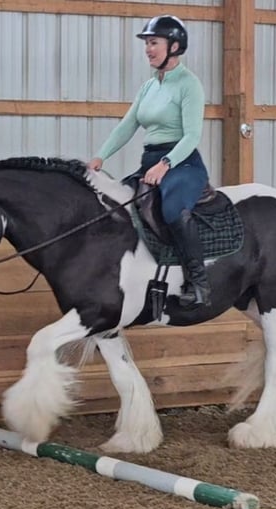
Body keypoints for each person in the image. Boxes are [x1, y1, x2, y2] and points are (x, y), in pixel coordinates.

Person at [87, 15, 211, 308]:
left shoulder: (189, 85)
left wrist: (165, 164)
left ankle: (199, 282)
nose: (148, 49)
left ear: (175, 46)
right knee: (119, 206)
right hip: (150, 161)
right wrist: (100, 156)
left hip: (183, 164)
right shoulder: (148, 86)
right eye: (147, 43)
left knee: (172, 211)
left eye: (153, 42)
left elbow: (192, 136)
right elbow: (127, 126)